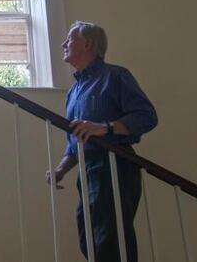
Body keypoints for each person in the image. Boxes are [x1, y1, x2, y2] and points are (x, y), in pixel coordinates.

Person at [46, 21, 158, 261]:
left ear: (88, 44)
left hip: (115, 165)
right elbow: (75, 140)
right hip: (87, 172)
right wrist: (61, 169)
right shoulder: (73, 92)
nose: (63, 44)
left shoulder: (115, 75)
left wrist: (104, 127)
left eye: (70, 39)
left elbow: (146, 116)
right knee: (88, 240)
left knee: (111, 240)